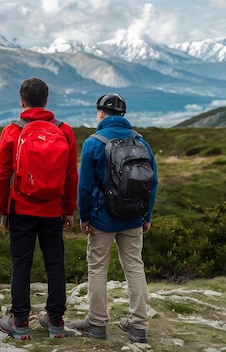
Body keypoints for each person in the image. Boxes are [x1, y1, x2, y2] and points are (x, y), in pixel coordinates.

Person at [69, 93, 158, 343]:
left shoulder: (94, 142)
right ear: (123, 115)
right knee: (134, 267)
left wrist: (84, 217)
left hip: (102, 219)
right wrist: (146, 215)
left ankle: (97, 323)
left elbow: (85, 186)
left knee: (98, 268)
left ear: (101, 114)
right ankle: (138, 325)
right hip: (133, 219)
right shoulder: (142, 142)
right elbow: (154, 181)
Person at [0, 77, 78, 340]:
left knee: (21, 264)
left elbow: (1, 176)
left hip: (22, 208)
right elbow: (71, 176)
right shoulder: (64, 131)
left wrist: (4, 211)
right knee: (55, 264)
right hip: (53, 209)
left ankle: (19, 323)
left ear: (22, 101)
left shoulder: (12, 131)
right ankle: (55, 321)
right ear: (46, 100)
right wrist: (69, 210)